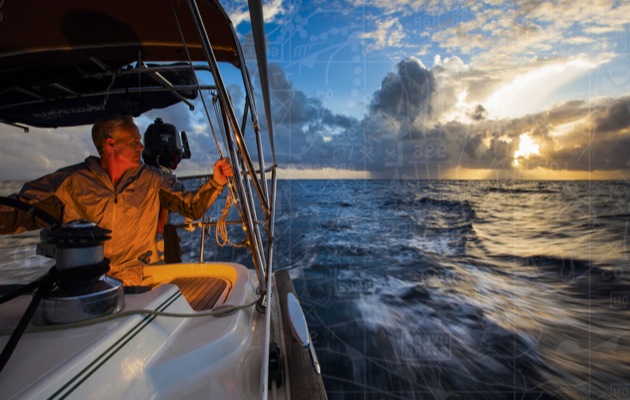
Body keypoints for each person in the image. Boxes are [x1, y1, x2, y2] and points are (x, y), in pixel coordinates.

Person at [0, 114, 233, 285]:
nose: (141, 147)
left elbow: (191, 206)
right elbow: (18, 213)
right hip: (84, 283)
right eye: (134, 142)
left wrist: (216, 182)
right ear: (111, 145)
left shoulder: (153, 180)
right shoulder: (69, 182)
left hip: (142, 280)